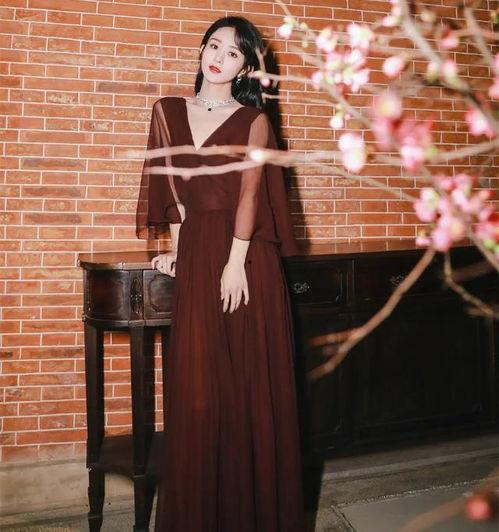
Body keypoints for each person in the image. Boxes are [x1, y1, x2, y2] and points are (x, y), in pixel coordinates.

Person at [136, 15, 306, 532]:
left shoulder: (255, 121)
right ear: (202, 50)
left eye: (233, 53)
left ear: (246, 68)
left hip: (246, 260)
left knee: (246, 389)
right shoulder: (168, 111)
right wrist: (181, 254)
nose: (219, 57)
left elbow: (251, 195)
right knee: (199, 392)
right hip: (200, 255)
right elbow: (174, 196)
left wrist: (234, 265)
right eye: (214, 46)